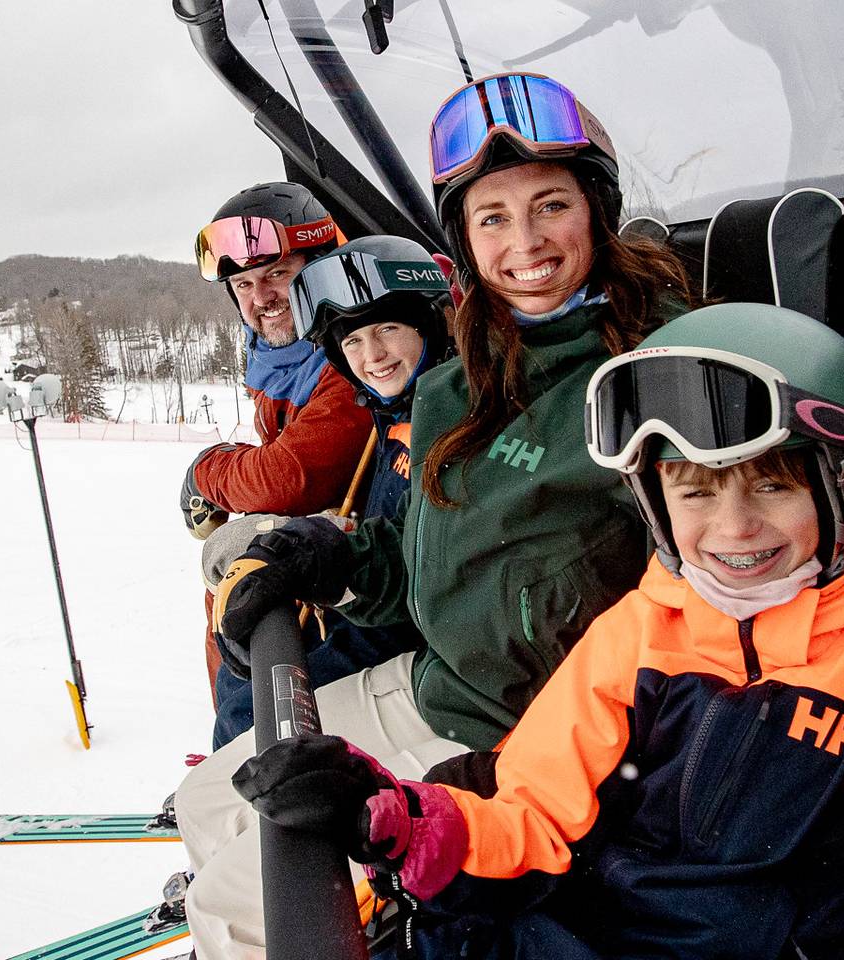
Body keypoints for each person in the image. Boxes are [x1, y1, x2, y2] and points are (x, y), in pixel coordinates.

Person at [234, 302, 844, 959]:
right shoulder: (645, 629)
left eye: (771, 486)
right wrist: (398, 818)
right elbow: (534, 817)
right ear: (655, 503)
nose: (733, 529)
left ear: (839, 484)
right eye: (694, 494)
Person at [176, 73, 696, 958]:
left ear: (597, 212)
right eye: (491, 218)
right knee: (211, 801)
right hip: (437, 685)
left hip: (529, 737)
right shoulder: (467, 371)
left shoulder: (663, 375)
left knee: (245, 905)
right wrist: (334, 563)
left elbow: (711, 615)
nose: (524, 243)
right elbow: (432, 557)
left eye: (550, 206)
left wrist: (528, 768)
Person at [199, 234, 452, 748]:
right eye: (353, 341)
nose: (372, 355)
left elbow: (290, 476)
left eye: (387, 329)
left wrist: (327, 553)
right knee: (243, 675)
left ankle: (251, 803)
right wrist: (322, 540)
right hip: (377, 609)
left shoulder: (450, 416)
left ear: (432, 323)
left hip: (414, 638)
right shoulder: (396, 408)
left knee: (255, 709)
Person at [182, 182, 378, 729]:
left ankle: (243, 763)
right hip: (315, 562)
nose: (260, 297)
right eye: (243, 284)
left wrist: (208, 470)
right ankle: (230, 759)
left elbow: (287, 477)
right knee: (230, 599)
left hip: (355, 578)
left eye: (277, 275)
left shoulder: (356, 358)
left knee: (250, 659)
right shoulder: (282, 361)